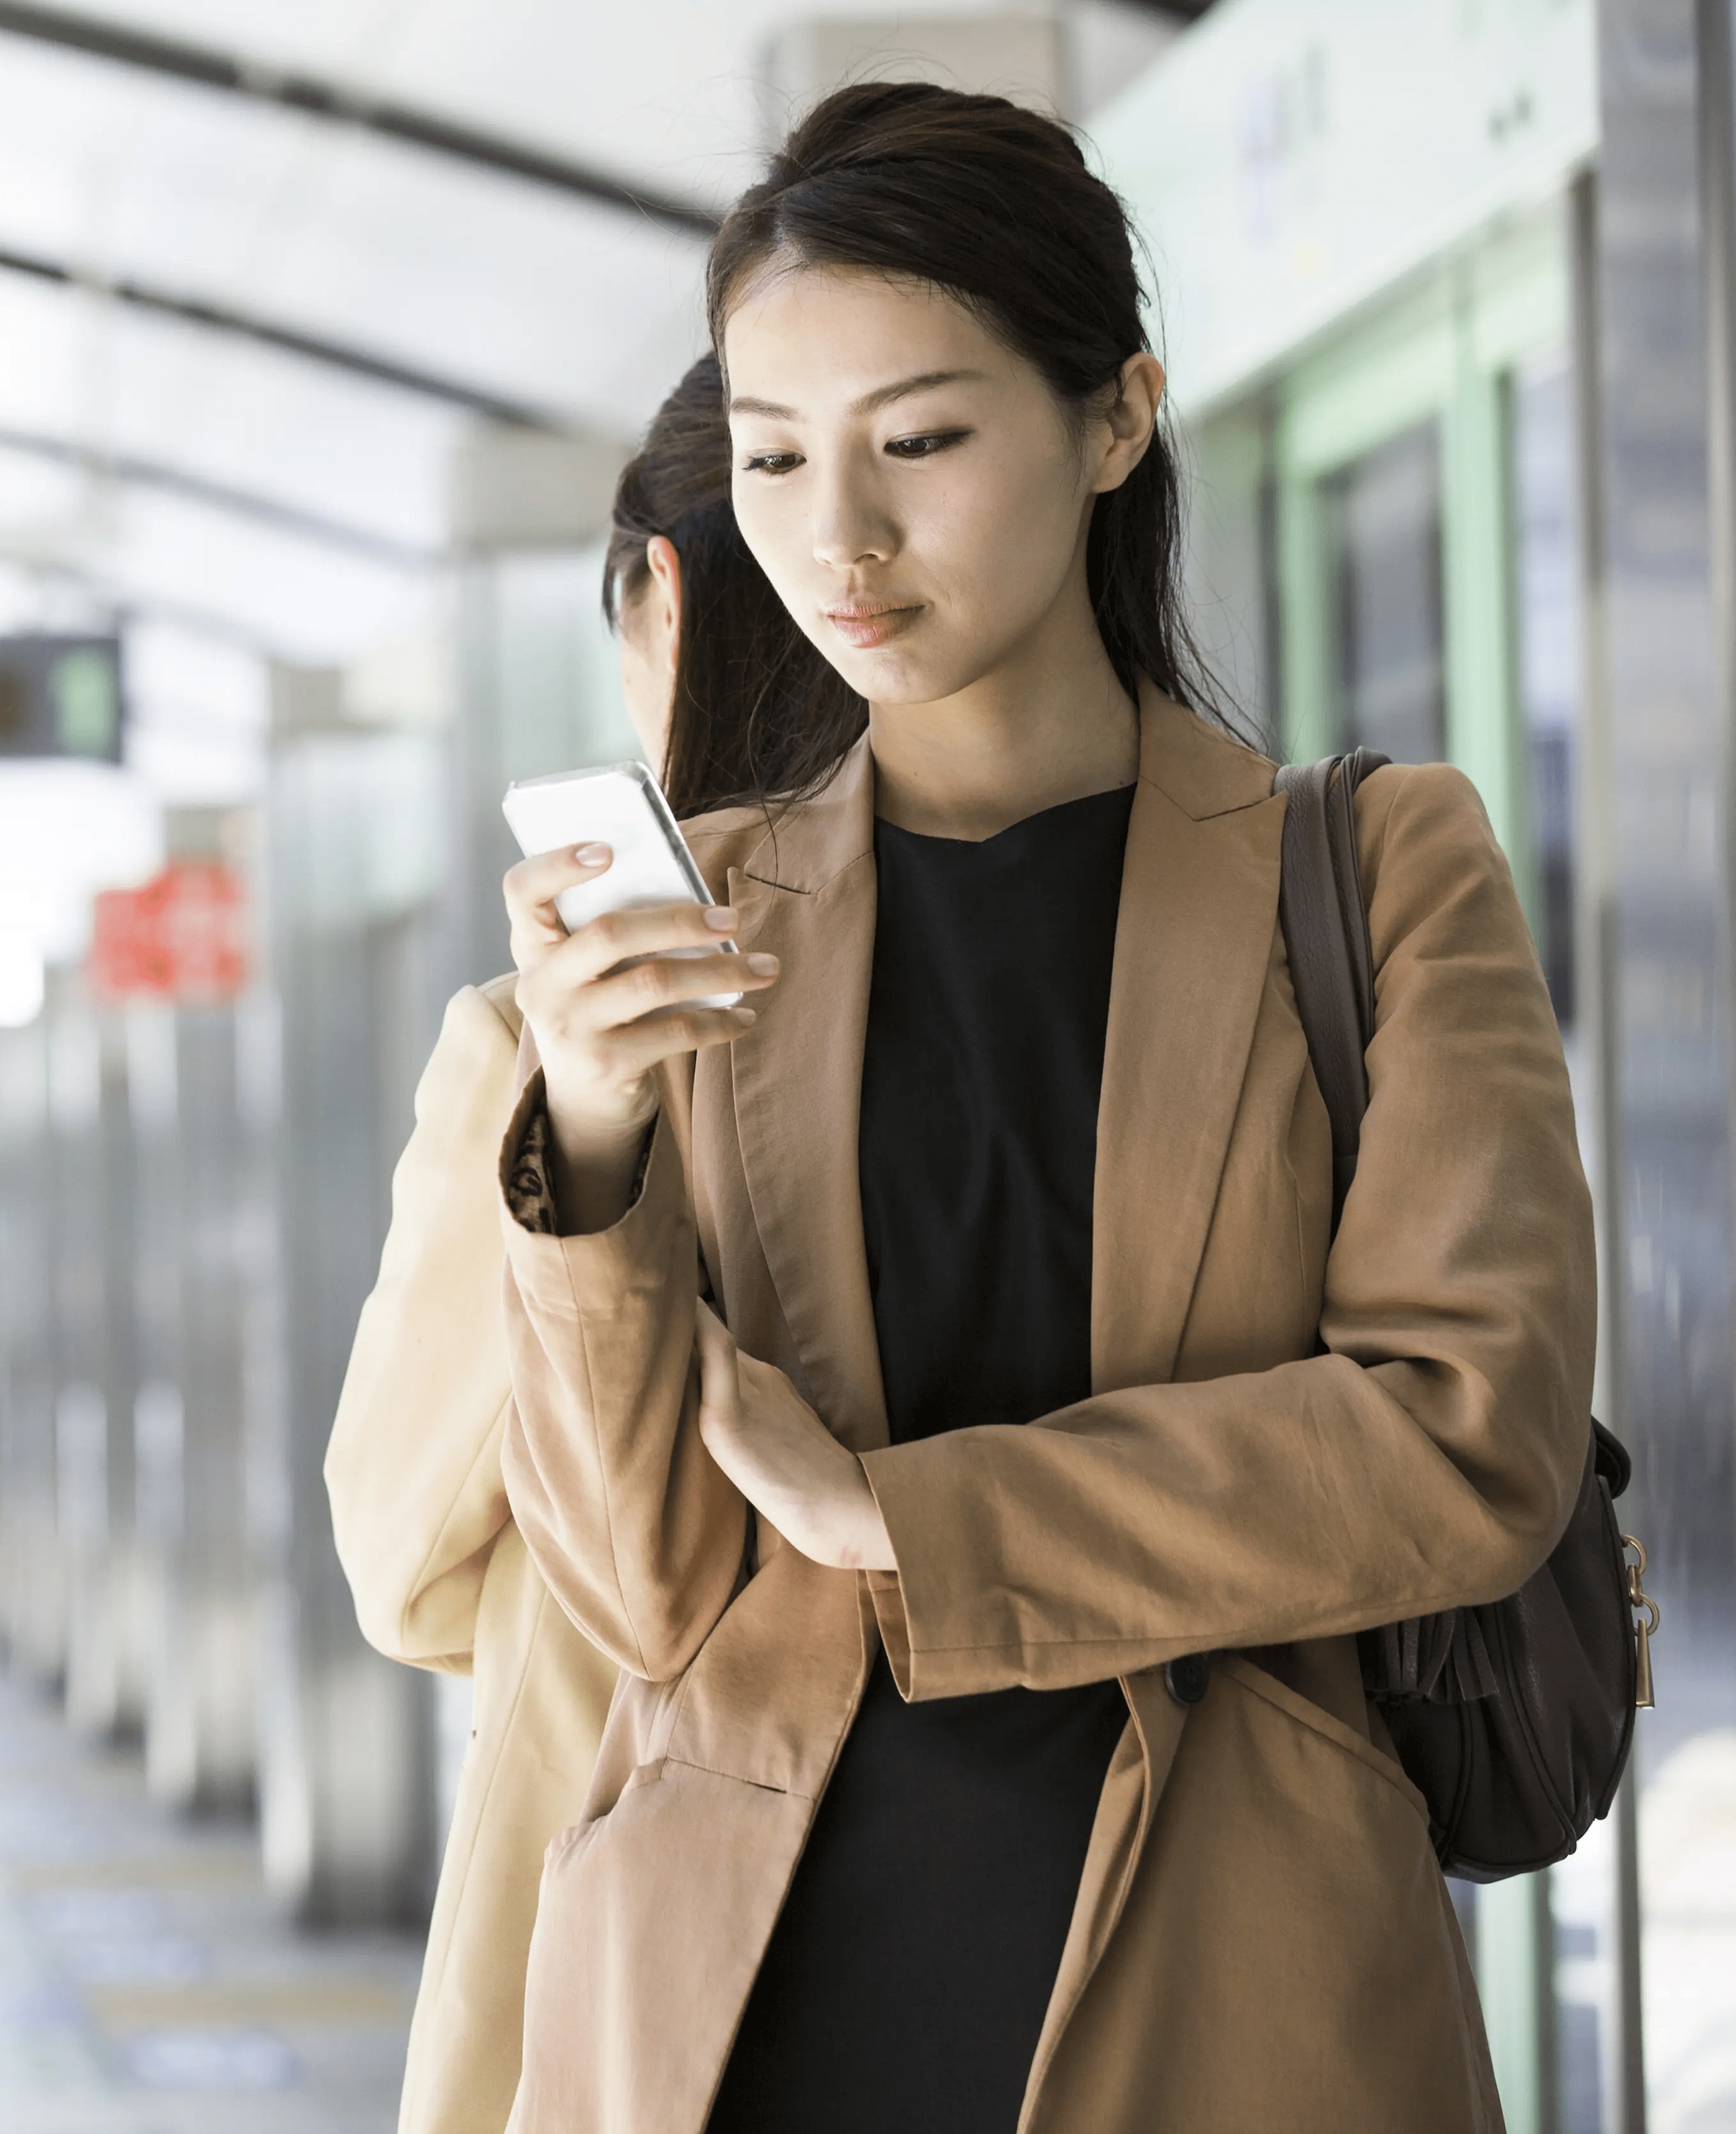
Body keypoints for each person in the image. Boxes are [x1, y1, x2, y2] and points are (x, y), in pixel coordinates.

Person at [489, 83, 1588, 2132]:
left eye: (918, 440)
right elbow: (638, 1591)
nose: (839, 539)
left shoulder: (1362, 871)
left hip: (1236, 1984)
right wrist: (590, 1140)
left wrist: (891, 1511)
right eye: (772, 459)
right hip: (738, 1999)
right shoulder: (700, 918)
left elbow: (1462, 1438)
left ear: (1112, 419)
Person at [325, 352, 864, 2133]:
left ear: (670, 593)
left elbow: (399, 1549)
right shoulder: (1119, 948)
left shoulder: (544, 1051)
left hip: (633, 1908)